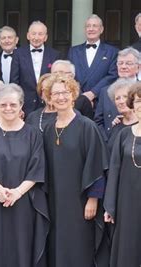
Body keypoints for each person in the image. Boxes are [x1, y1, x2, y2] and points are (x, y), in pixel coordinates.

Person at [0, 84, 49, 267]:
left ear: (21, 105)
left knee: (22, 246)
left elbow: (38, 166)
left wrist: (18, 192)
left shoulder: (33, 134)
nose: (8, 109)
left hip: (24, 202)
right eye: (3, 104)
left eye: (13, 105)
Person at [43, 75, 108, 267]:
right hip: (54, 201)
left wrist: (93, 199)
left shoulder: (87, 126)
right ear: (49, 98)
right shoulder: (48, 129)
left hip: (80, 201)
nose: (61, 97)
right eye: (55, 94)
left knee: (78, 246)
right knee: (56, 244)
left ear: (73, 95)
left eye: (65, 93)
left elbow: (97, 163)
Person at [104, 82, 141, 267]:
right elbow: (114, 171)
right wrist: (110, 206)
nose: (140, 106)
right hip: (127, 203)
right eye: (137, 102)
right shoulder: (124, 134)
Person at [10, 21, 62, 114]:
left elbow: (57, 81)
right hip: (25, 106)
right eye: (33, 34)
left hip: (49, 104)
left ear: (46, 37)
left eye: (40, 34)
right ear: (28, 36)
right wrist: (17, 106)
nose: (36, 37)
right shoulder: (18, 54)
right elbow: (14, 82)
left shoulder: (55, 55)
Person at [67, 14, 118, 107]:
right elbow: (69, 75)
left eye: (95, 26)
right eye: (88, 26)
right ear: (85, 29)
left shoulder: (112, 52)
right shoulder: (73, 51)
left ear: (101, 29)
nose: (91, 29)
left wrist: (93, 93)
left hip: (101, 101)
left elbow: (112, 75)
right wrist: (82, 96)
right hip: (77, 100)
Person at [95, 47, 140, 140]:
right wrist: (107, 141)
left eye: (128, 63)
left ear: (138, 67)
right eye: (120, 63)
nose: (123, 66)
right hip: (110, 146)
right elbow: (98, 122)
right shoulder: (105, 91)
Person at [105, 79, 137, 153]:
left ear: (133, 99)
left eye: (125, 97)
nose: (121, 101)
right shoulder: (116, 124)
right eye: (117, 98)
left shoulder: (139, 125)